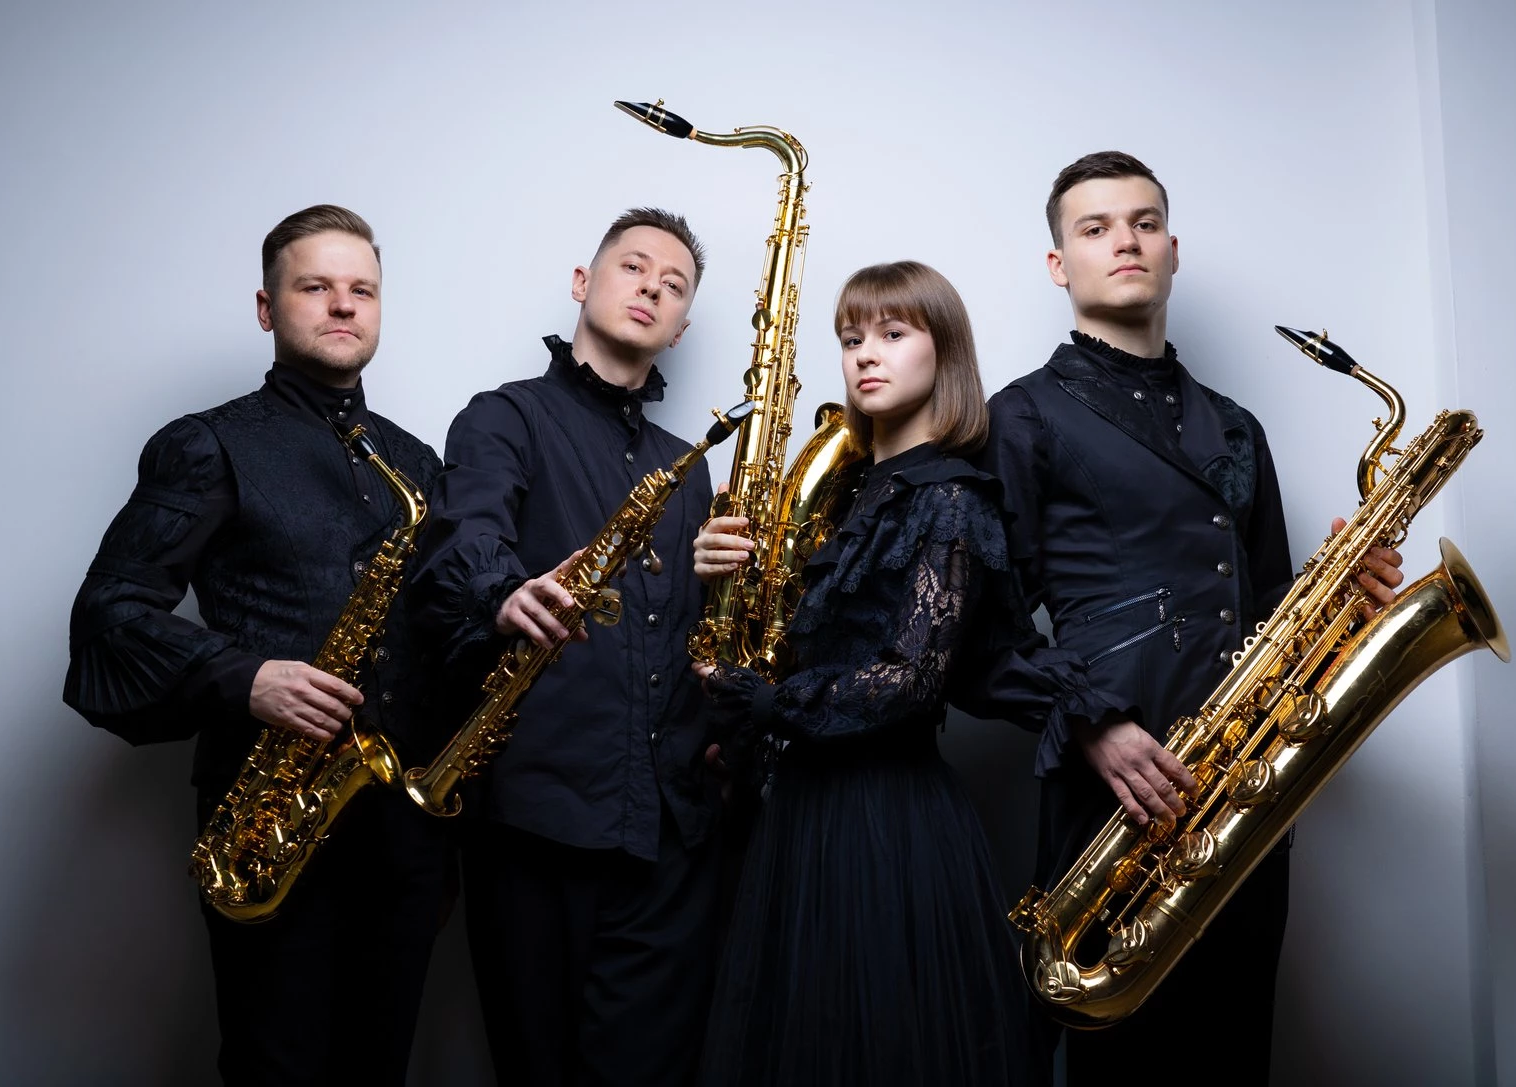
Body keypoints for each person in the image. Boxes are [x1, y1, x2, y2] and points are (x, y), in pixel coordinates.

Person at [968, 152, 1405, 1084]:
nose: (1125, 241)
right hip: (1117, 793)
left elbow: (1272, 609)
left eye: (1145, 222)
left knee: (1236, 1051)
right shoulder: (1021, 417)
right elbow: (978, 636)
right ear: (1059, 265)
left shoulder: (1238, 425)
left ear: (1173, 250)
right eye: (1095, 228)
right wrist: (1092, 723)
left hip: (1244, 790)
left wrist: (1344, 603)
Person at [64, 204, 450, 1085]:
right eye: (316, 286)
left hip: (400, 827)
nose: (343, 305)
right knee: (277, 1063)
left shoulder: (417, 462)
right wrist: (246, 678)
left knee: (381, 1064)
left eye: (362, 290)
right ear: (267, 308)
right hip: (269, 819)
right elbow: (108, 613)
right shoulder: (208, 444)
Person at [692, 261, 1037, 1086]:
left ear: (944, 350)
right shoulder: (850, 495)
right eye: (851, 339)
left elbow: (912, 680)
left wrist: (768, 701)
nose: (865, 354)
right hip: (799, 809)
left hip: (885, 816)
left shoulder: (952, 499)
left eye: (892, 332)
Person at [408, 208, 720, 1087]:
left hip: (671, 832)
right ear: (584, 283)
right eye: (633, 267)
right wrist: (504, 591)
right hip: (539, 815)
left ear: (681, 326)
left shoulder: (690, 467)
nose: (651, 287)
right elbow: (466, 537)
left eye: (674, 285)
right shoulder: (504, 416)